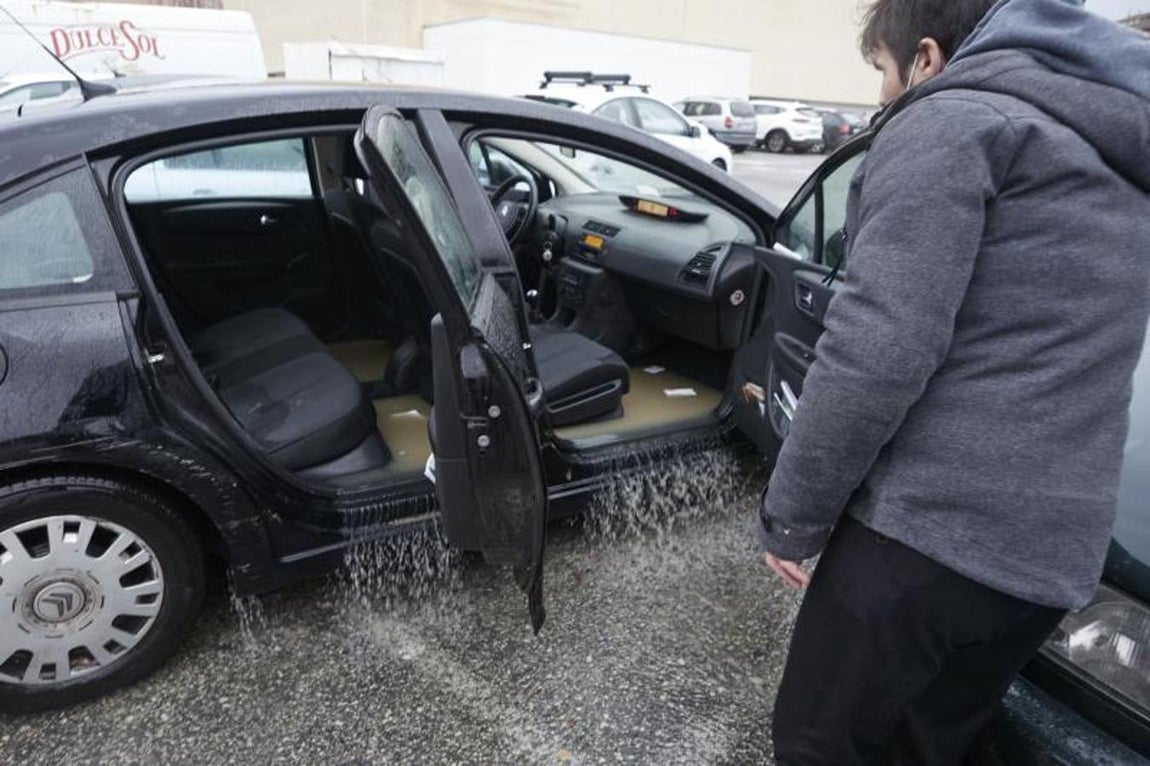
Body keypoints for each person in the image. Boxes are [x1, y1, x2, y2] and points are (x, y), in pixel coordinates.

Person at [757, 0, 1150, 762]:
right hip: (1053, 559)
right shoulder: (1118, 155)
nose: (879, 97)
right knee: (928, 745)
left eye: (881, 71)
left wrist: (793, 515)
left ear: (929, 58)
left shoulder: (954, 120)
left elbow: (877, 346)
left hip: (927, 538)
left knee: (818, 742)